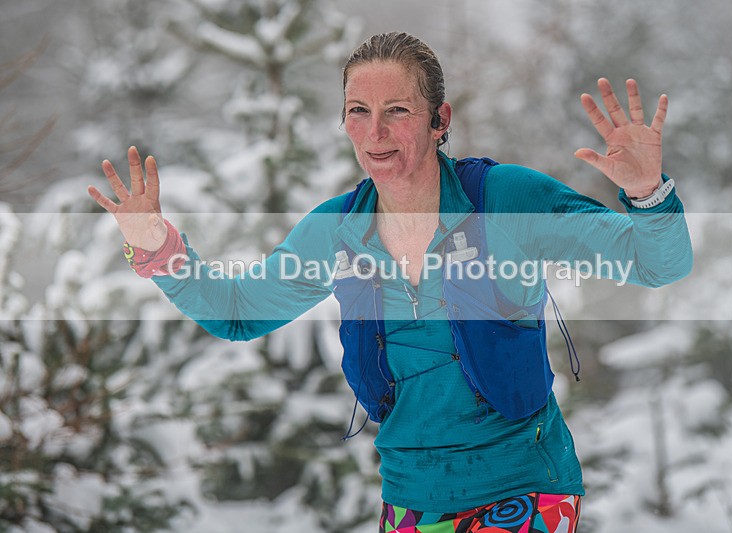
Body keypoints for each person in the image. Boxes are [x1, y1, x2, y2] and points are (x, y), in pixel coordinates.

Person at [88, 32, 691, 533]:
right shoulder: (336, 232)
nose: (375, 132)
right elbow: (240, 312)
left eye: (396, 111)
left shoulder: (505, 199)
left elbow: (657, 264)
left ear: (438, 120)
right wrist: (157, 249)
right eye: (359, 112)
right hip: (411, 498)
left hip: (525, 488)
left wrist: (646, 192)